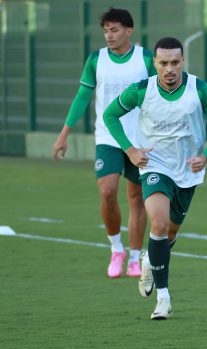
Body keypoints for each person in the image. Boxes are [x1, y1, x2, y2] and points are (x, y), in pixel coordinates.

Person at [103, 37, 207, 320]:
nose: (169, 68)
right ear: (155, 64)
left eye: (175, 62)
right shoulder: (141, 90)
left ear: (183, 61)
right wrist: (130, 149)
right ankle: (163, 298)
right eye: (163, 63)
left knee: (169, 234)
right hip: (154, 167)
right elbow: (110, 115)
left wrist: (206, 156)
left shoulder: (200, 89)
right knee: (158, 224)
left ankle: (151, 260)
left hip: (188, 171)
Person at [52, 8, 155, 279]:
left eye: (115, 29)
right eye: (106, 30)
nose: (109, 35)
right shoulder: (96, 59)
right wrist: (64, 133)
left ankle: (134, 258)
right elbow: (82, 97)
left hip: (140, 140)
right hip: (108, 138)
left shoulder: (146, 58)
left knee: (136, 198)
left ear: (129, 30)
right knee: (107, 191)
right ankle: (116, 249)